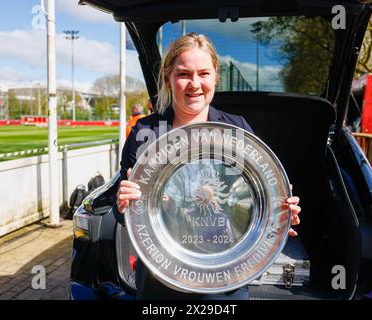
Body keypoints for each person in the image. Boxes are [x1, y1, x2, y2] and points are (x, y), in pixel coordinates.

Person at [116, 33, 301, 300]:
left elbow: (258, 196)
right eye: (183, 74)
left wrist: (281, 214)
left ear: (215, 76)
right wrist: (123, 203)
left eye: (203, 73)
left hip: (227, 277)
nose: (195, 84)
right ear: (168, 78)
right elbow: (125, 213)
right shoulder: (147, 132)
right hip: (162, 278)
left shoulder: (237, 129)